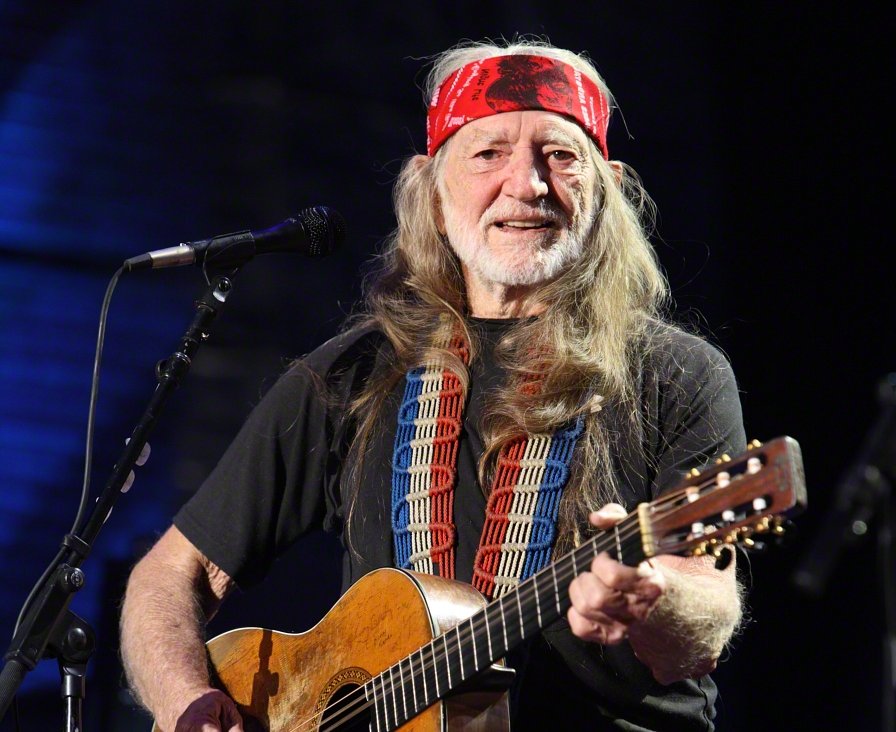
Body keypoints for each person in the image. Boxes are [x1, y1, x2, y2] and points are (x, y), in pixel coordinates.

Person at [120, 39, 745, 731]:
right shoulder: (352, 374)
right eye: (488, 153)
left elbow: (709, 611)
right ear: (432, 187)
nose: (528, 183)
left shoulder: (677, 374)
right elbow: (167, 576)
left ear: (609, 189)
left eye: (560, 155)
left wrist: (653, 600)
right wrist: (185, 701)